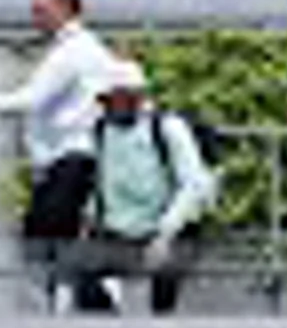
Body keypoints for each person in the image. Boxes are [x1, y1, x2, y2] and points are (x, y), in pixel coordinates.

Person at [0, 0, 122, 311]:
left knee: (41, 244)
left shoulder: (71, 52)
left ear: (64, 8)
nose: (35, 17)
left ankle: (84, 310)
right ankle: (78, 310)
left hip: (68, 161)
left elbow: (29, 99)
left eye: (41, 10)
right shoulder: (87, 47)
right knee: (56, 244)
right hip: (70, 160)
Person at [59, 59, 217, 314]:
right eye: (104, 100)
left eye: (112, 99)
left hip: (168, 231)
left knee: (166, 278)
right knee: (77, 270)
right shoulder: (102, 130)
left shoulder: (166, 128)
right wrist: (89, 223)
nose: (106, 107)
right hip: (118, 232)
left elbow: (192, 184)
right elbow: (103, 184)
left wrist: (165, 233)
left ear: (134, 97)